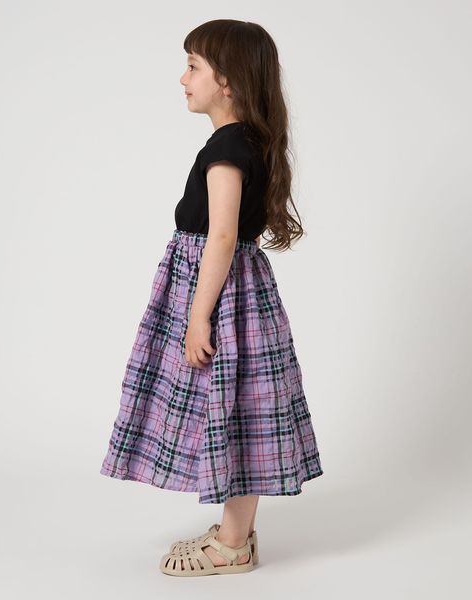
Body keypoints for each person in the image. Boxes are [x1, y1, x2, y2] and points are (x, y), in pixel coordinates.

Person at [100, 19, 324, 576]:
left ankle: (231, 545)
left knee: (233, 409)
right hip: (238, 292)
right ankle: (235, 534)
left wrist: (199, 316)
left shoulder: (227, 148)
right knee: (238, 410)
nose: (183, 78)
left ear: (227, 80)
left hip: (219, 296)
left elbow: (222, 235)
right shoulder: (248, 140)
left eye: (193, 66)